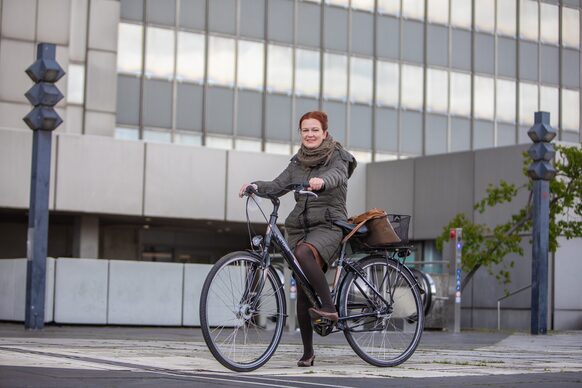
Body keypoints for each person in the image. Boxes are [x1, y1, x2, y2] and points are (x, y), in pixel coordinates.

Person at [239, 111, 357, 367]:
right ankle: (308, 352)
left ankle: (329, 307)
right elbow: (278, 185)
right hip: (299, 228)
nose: (310, 134)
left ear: (324, 132)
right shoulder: (298, 162)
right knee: (303, 291)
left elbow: (338, 176)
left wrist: (321, 181)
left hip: (329, 225)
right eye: (305, 130)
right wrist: (256, 186)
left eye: (315, 130)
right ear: (300, 133)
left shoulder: (338, 156)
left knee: (304, 253)